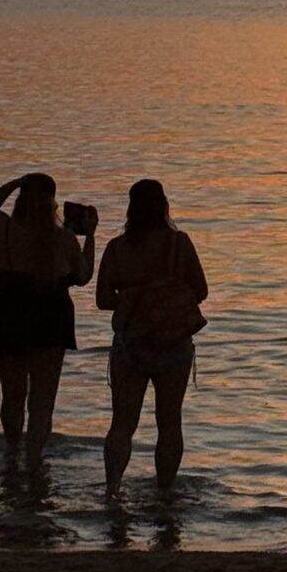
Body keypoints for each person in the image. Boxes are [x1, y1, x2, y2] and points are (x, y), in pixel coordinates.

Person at [97, 179, 208, 490]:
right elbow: (201, 290)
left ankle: (113, 490)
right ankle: (165, 491)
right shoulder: (179, 244)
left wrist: (133, 297)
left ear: (131, 208)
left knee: (122, 423)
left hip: (130, 345)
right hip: (174, 345)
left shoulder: (117, 248)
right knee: (170, 422)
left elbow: (103, 300)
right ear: (164, 205)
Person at [0, 171, 95, 466]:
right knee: (42, 401)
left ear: (20, 200)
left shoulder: (2, 229)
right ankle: (34, 462)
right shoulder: (64, 239)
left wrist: (14, 182)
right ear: (52, 203)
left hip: (6, 315)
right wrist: (91, 235)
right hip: (50, 319)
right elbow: (83, 277)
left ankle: (12, 452)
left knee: (12, 394)